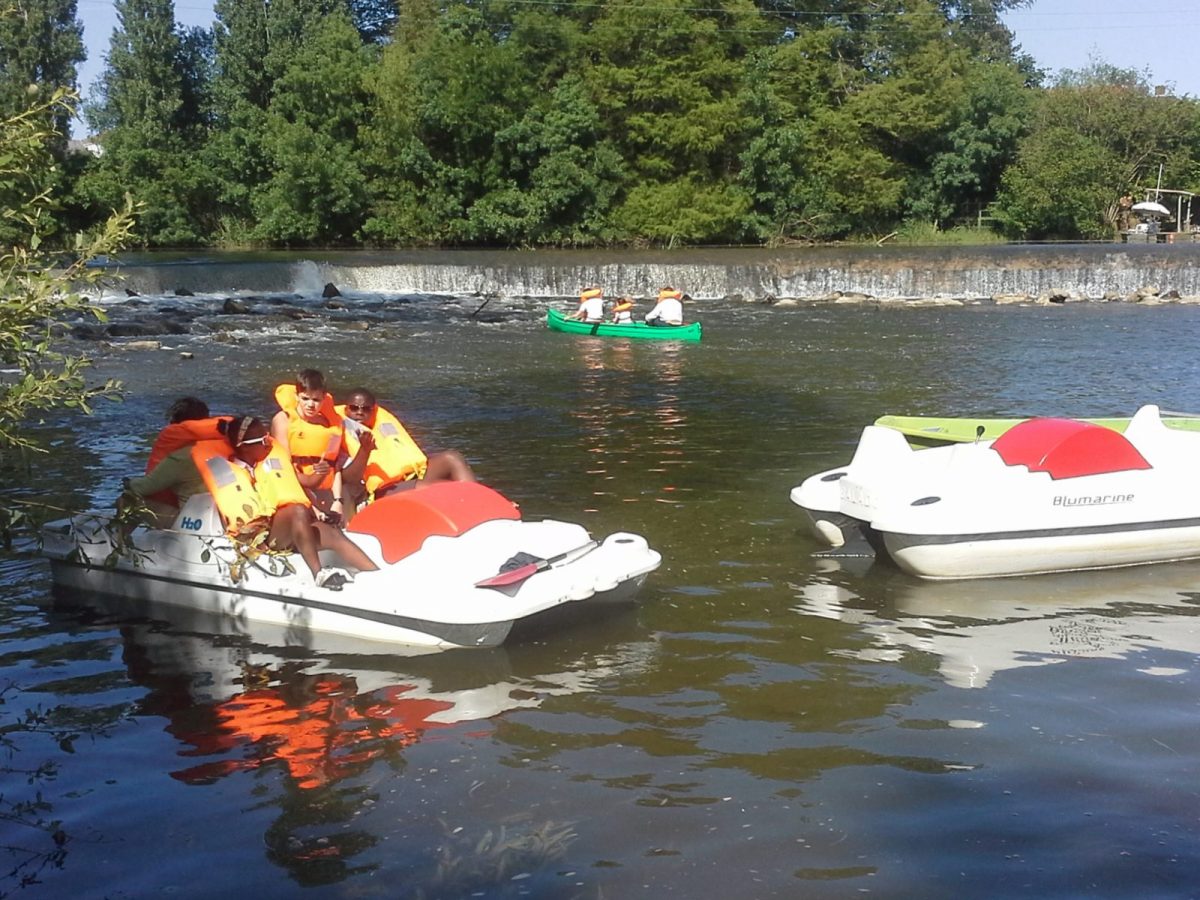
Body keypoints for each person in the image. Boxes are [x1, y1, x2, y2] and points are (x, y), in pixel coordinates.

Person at [192, 416, 379, 589]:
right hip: (264, 538)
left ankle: (378, 576)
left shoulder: (270, 463)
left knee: (332, 532)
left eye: (268, 437)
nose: (269, 444)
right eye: (263, 441)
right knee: (297, 510)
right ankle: (319, 574)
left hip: (292, 528)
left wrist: (320, 473)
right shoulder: (232, 472)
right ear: (244, 447)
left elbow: (307, 482)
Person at [337, 388, 475, 504]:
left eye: (366, 409)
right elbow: (348, 479)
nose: (360, 412)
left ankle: (478, 501)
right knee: (434, 488)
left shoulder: (381, 425)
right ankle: (467, 507)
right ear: (346, 409)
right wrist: (364, 451)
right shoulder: (339, 433)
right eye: (354, 408)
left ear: (373, 410)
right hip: (382, 490)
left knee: (452, 458)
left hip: (411, 476)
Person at [271, 369, 364, 524]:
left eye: (316, 400)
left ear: (324, 398)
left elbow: (334, 466)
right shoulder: (283, 420)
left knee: (343, 519)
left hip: (328, 489)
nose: (310, 405)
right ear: (296, 396)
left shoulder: (332, 424)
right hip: (298, 487)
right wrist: (314, 509)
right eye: (305, 398)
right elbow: (286, 469)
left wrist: (338, 501)